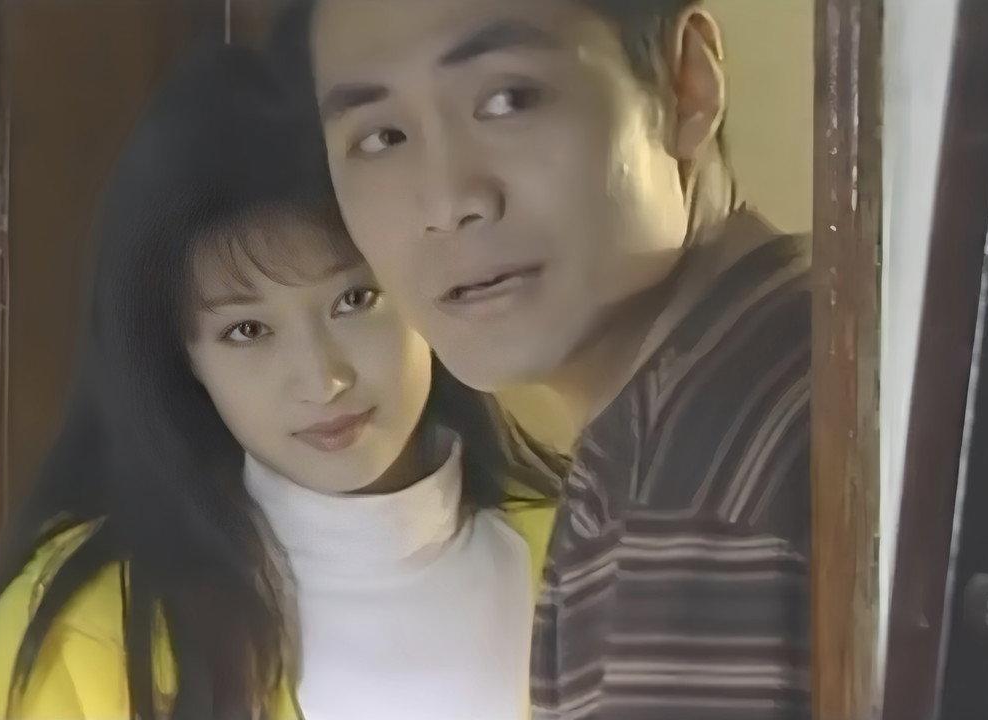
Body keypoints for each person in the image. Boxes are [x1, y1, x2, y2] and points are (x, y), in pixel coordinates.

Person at [0, 42, 562, 720]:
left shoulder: (593, 559)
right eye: (247, 330)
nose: (323, 379)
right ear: (185, 356)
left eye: (355, 300)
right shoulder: (88, 629)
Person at [272, 1, 812, 717]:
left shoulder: (705, 486)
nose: (449, 202)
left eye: (509, 99)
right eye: (382, 138)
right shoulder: (763, 356)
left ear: (686, 85)